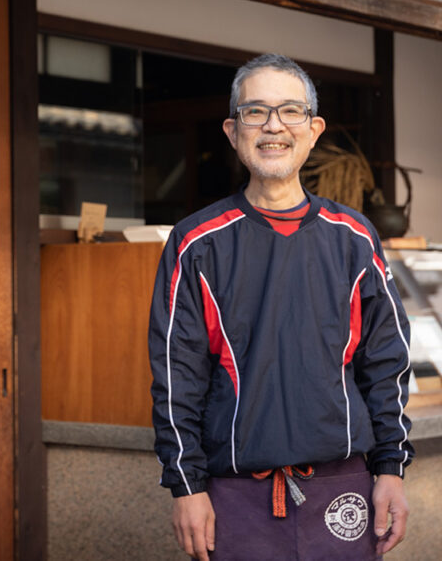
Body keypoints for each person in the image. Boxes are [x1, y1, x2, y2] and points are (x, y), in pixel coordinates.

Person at [148, 54, 413, 560]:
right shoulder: (197, 242)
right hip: (234, 495)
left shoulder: (354, 238)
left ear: (313, 130)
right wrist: (186, 486)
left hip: (344, 488)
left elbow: (386, 364)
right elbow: (175, 374)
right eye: (255, 112)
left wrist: (390, 470)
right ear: (232, 130)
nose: (273, 126)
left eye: (290, 111)